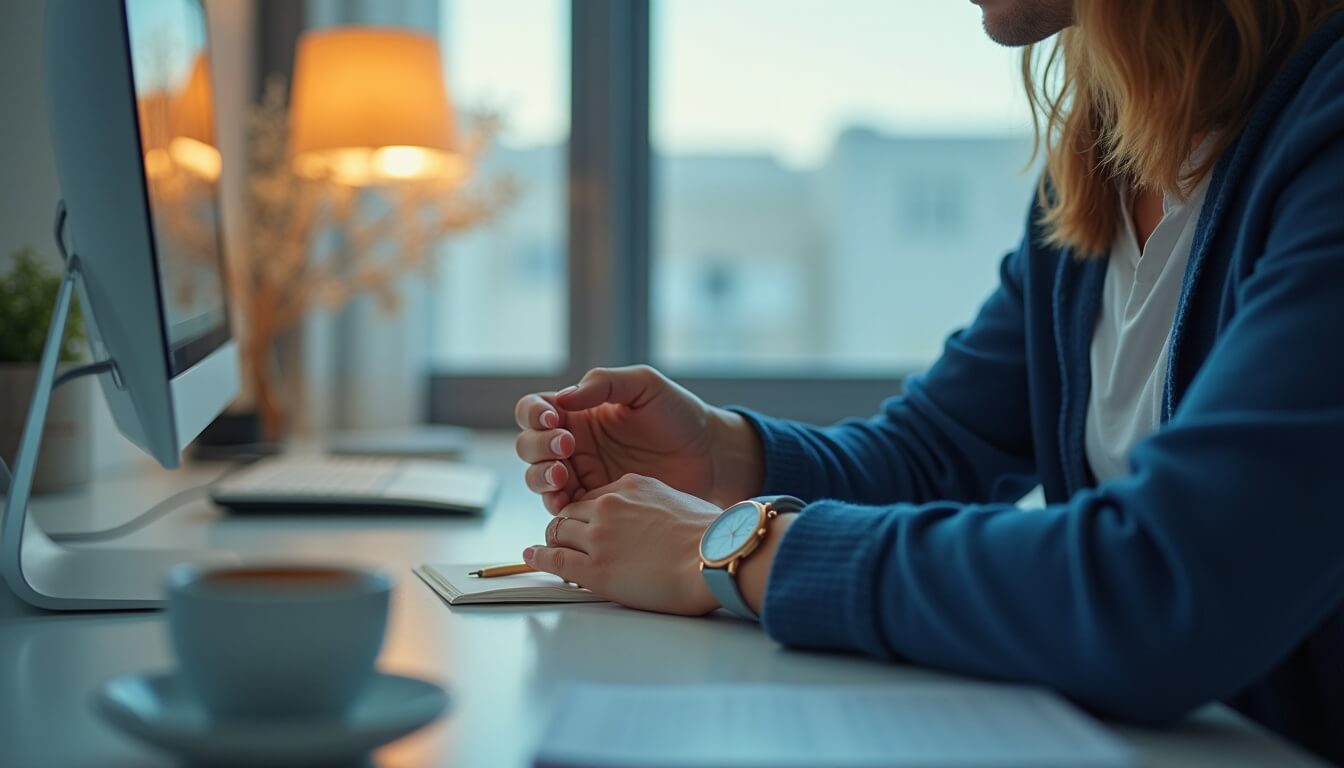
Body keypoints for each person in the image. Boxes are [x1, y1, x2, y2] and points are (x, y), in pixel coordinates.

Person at [514, 0, 1344, 762]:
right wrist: (723, 458)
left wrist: (731, 549)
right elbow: (938, 449)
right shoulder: (1104, 158)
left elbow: (1162, 584)